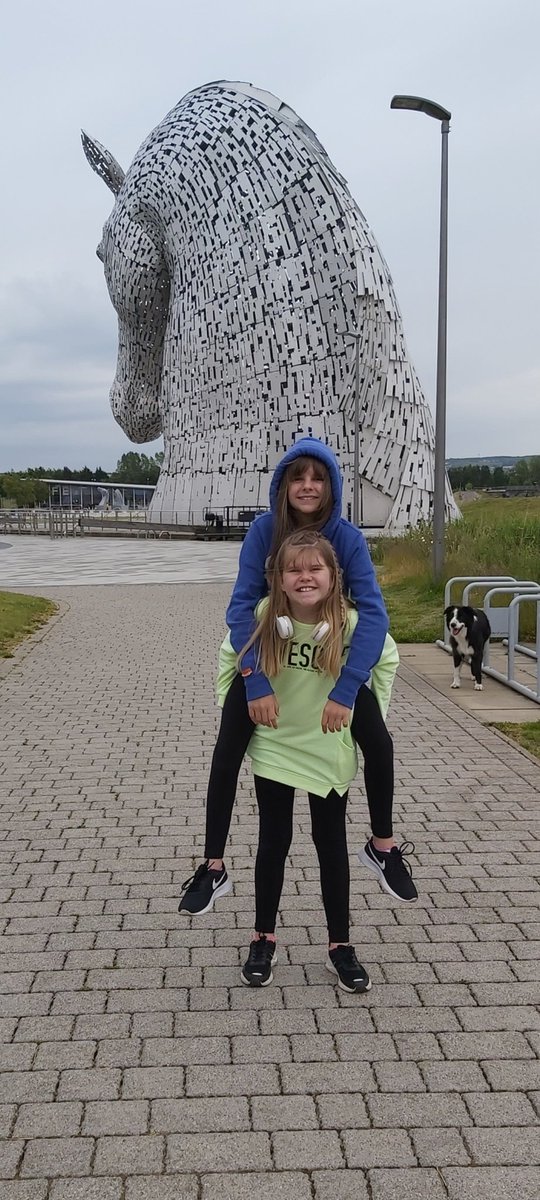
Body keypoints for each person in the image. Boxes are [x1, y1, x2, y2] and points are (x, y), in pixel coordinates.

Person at [179, 436, 417, 917]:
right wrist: (255, 679)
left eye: (318, 478)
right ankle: (213, 865)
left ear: (332, 486)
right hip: (269, 654)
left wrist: (347, 686)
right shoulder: (264, 531)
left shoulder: (347, 538)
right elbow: (241, 607)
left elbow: (374, 615)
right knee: (227, 751)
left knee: (379, 743)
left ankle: (383, 846)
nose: (308, 486)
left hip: (328, 656)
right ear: (283, 485)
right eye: (298, 477)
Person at [219, 531, 399, 990]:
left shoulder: (352, 625)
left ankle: (340, 945)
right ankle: (263, 938)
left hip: (326, 748)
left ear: (334, 577)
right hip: (277, 744)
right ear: (278, 579)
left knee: (330, 844)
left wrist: (365, 711)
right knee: (273, 840)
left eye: (315, 568)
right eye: (293, 570)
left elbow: (387, 660)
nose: (305, 577)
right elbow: (228, 656)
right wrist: (237, 702)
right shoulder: (264, 619)